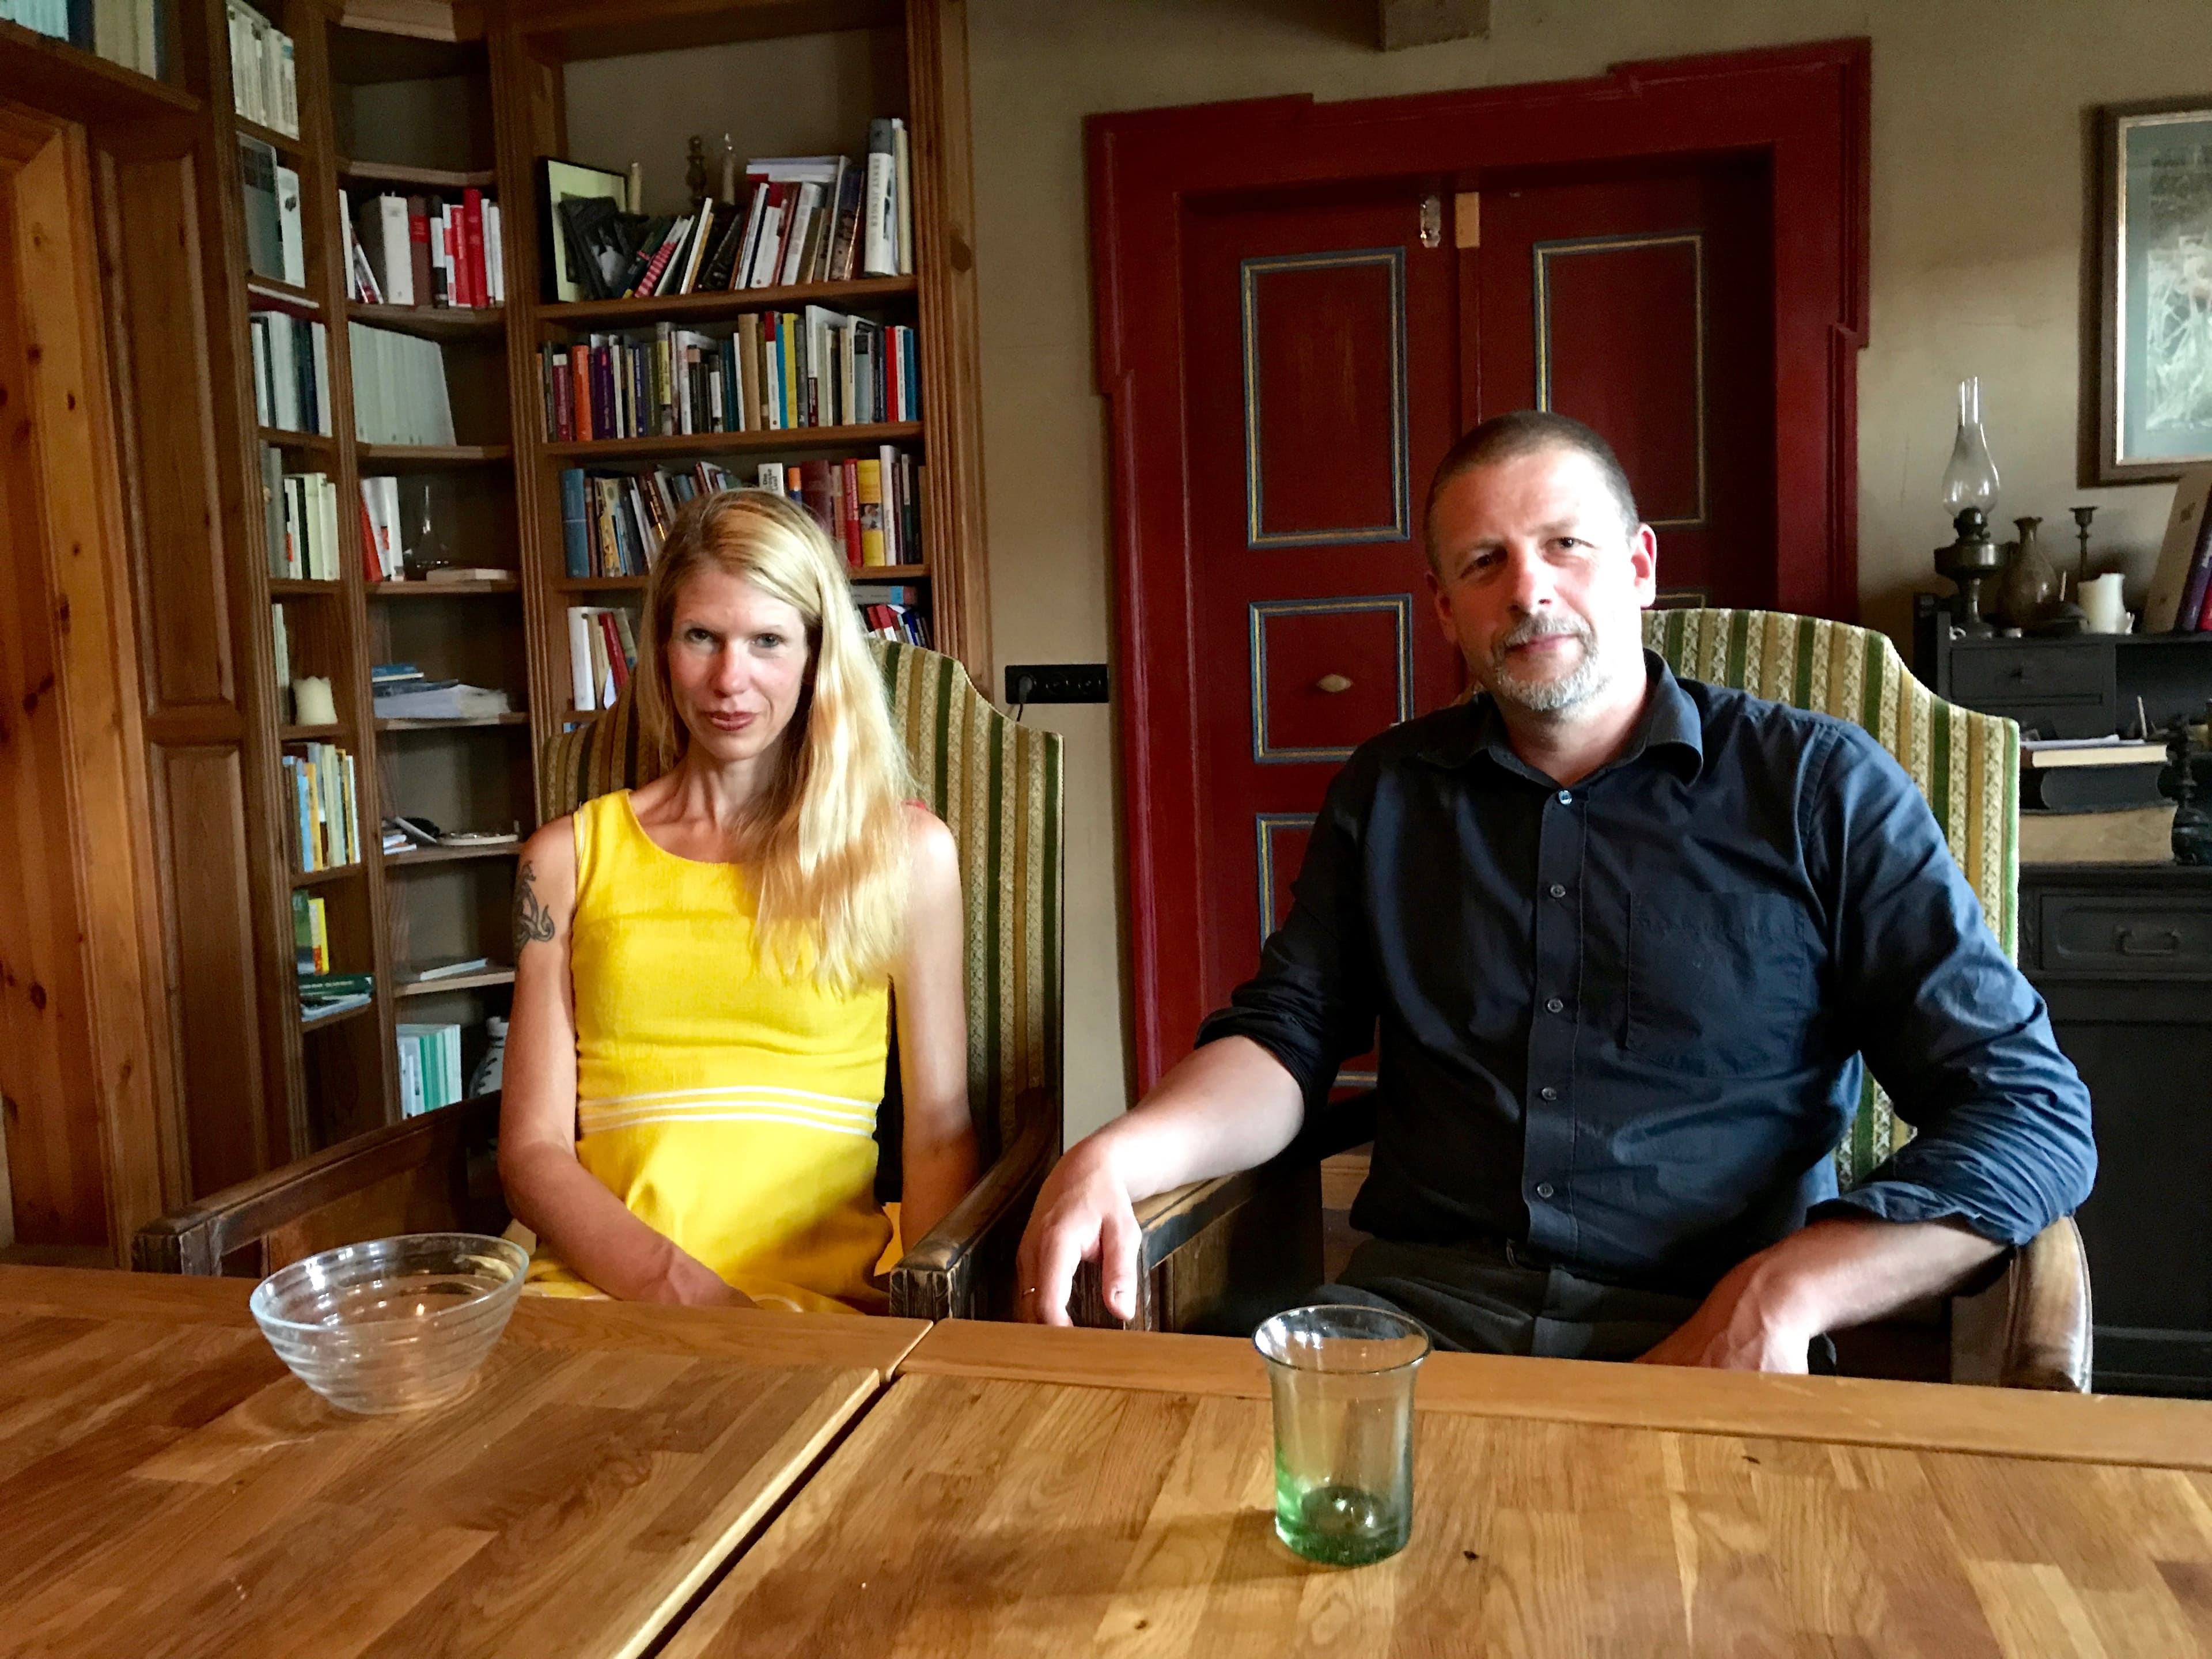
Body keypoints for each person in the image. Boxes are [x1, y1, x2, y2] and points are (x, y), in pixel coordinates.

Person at [1019, 411, 2095, 1370]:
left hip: (1708, 1332)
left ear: (1639, 566)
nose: (1529, 590)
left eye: (1565, 547)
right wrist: (1114, 1151)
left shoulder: (1823, 788)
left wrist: (1785, 1292)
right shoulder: (1390, 791)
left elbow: (2032, 1116)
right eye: (1485, 562)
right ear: (1444, 610)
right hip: (1413, 1327)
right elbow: (1286, 1041)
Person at [501, 489, 975, 1312]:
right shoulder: (562, 861)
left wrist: (928, 1330)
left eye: (767, 640)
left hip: (816, 1313)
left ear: (816, 655)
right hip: (599, 1300)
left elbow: (937, 1131)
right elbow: (532, 1151)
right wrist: (680, 1293)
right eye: (702, 638)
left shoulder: (904, 854)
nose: (731, 679)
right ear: (660, 649)